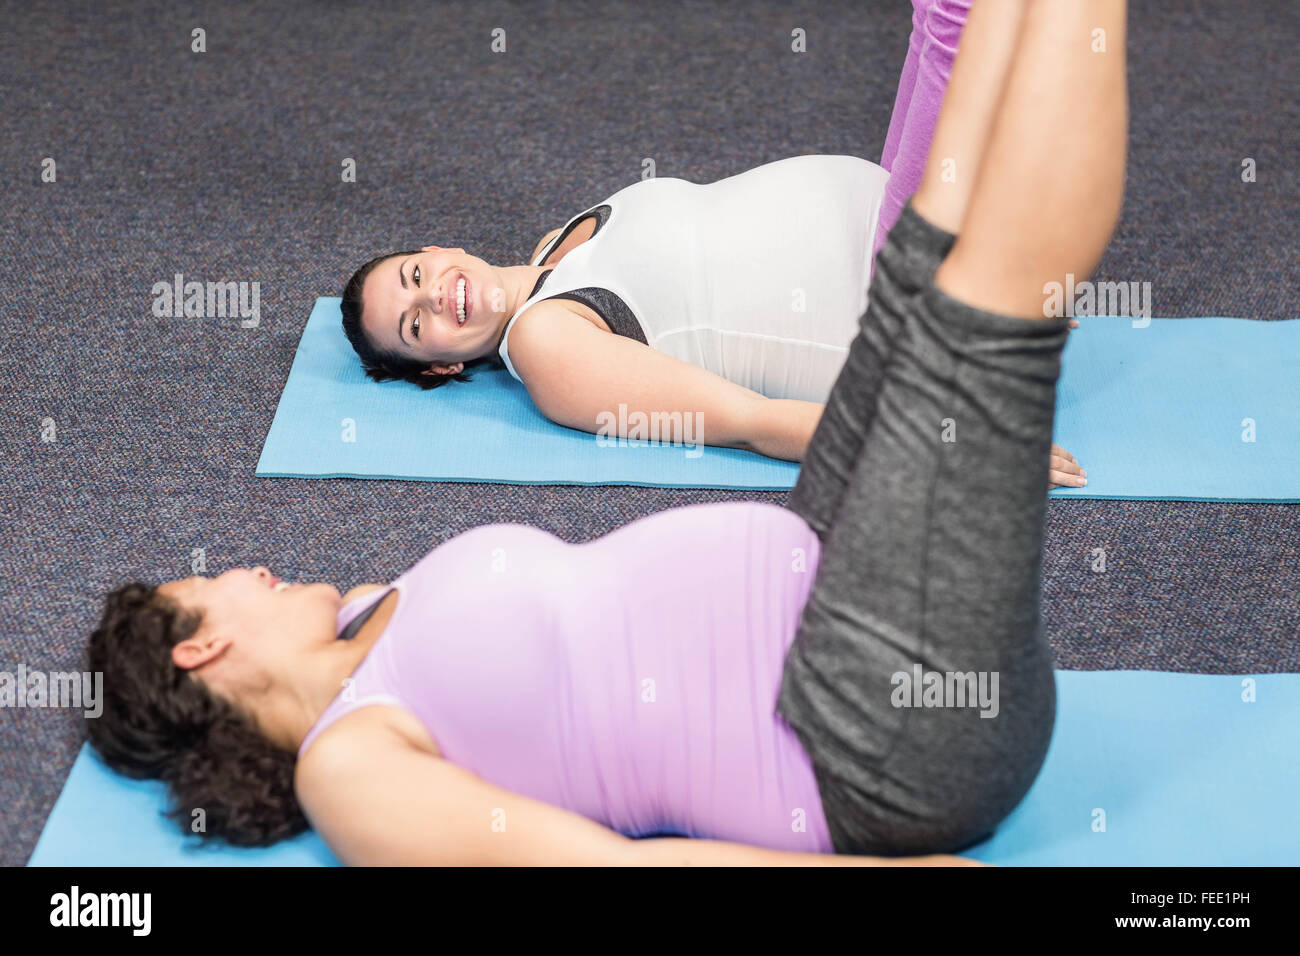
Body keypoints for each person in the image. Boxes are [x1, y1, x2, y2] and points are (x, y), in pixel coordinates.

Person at [86, 0, 1126, 863]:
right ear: (203, 641)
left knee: (928, 248)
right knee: (980, 317)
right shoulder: (347, 765)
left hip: (836, 563)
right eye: (213, 579)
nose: (247, 565)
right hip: (871, 728)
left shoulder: (365, 618)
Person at [336, 0, 1086, 487]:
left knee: (938, 17)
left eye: (412, 276)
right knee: (969, 22)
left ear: (438, 250)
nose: (432, 295)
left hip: (894, 223)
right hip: (910, 303)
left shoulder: (553, 247)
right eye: (414, 324)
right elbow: (749, 421)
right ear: (439, 363)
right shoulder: (546, 347)